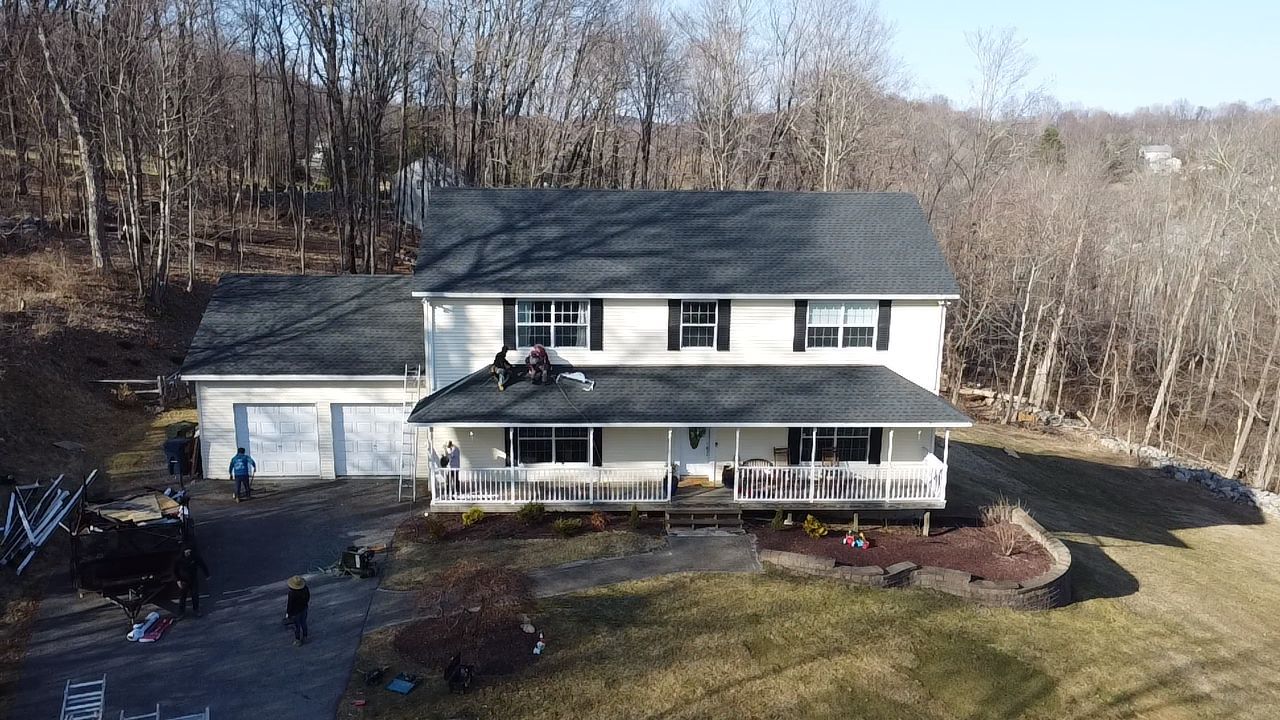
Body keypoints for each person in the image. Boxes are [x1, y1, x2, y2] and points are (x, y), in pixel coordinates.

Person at [173, 545, 210, 617]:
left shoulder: (195, 557)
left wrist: (207, 575)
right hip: (184, 581)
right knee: (182, 597)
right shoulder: (179, 559)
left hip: (193, 579)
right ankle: (181, 613)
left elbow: (202, 564)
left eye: (189, 552)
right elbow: (175, 571)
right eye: (187, 552)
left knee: (195, 595)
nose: (188, 553)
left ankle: (196, 610)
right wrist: (178, 580)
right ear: (184, 552)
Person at [285, 575, 310, 646]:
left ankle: (298, 640)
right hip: (304, 608)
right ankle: (305, 636)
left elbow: (290, 604)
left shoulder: (292, 593)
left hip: (295, 612)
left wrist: (288, 613)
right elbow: (308, 597)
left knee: (297, 626)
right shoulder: (305, 589)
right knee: (304, 623)